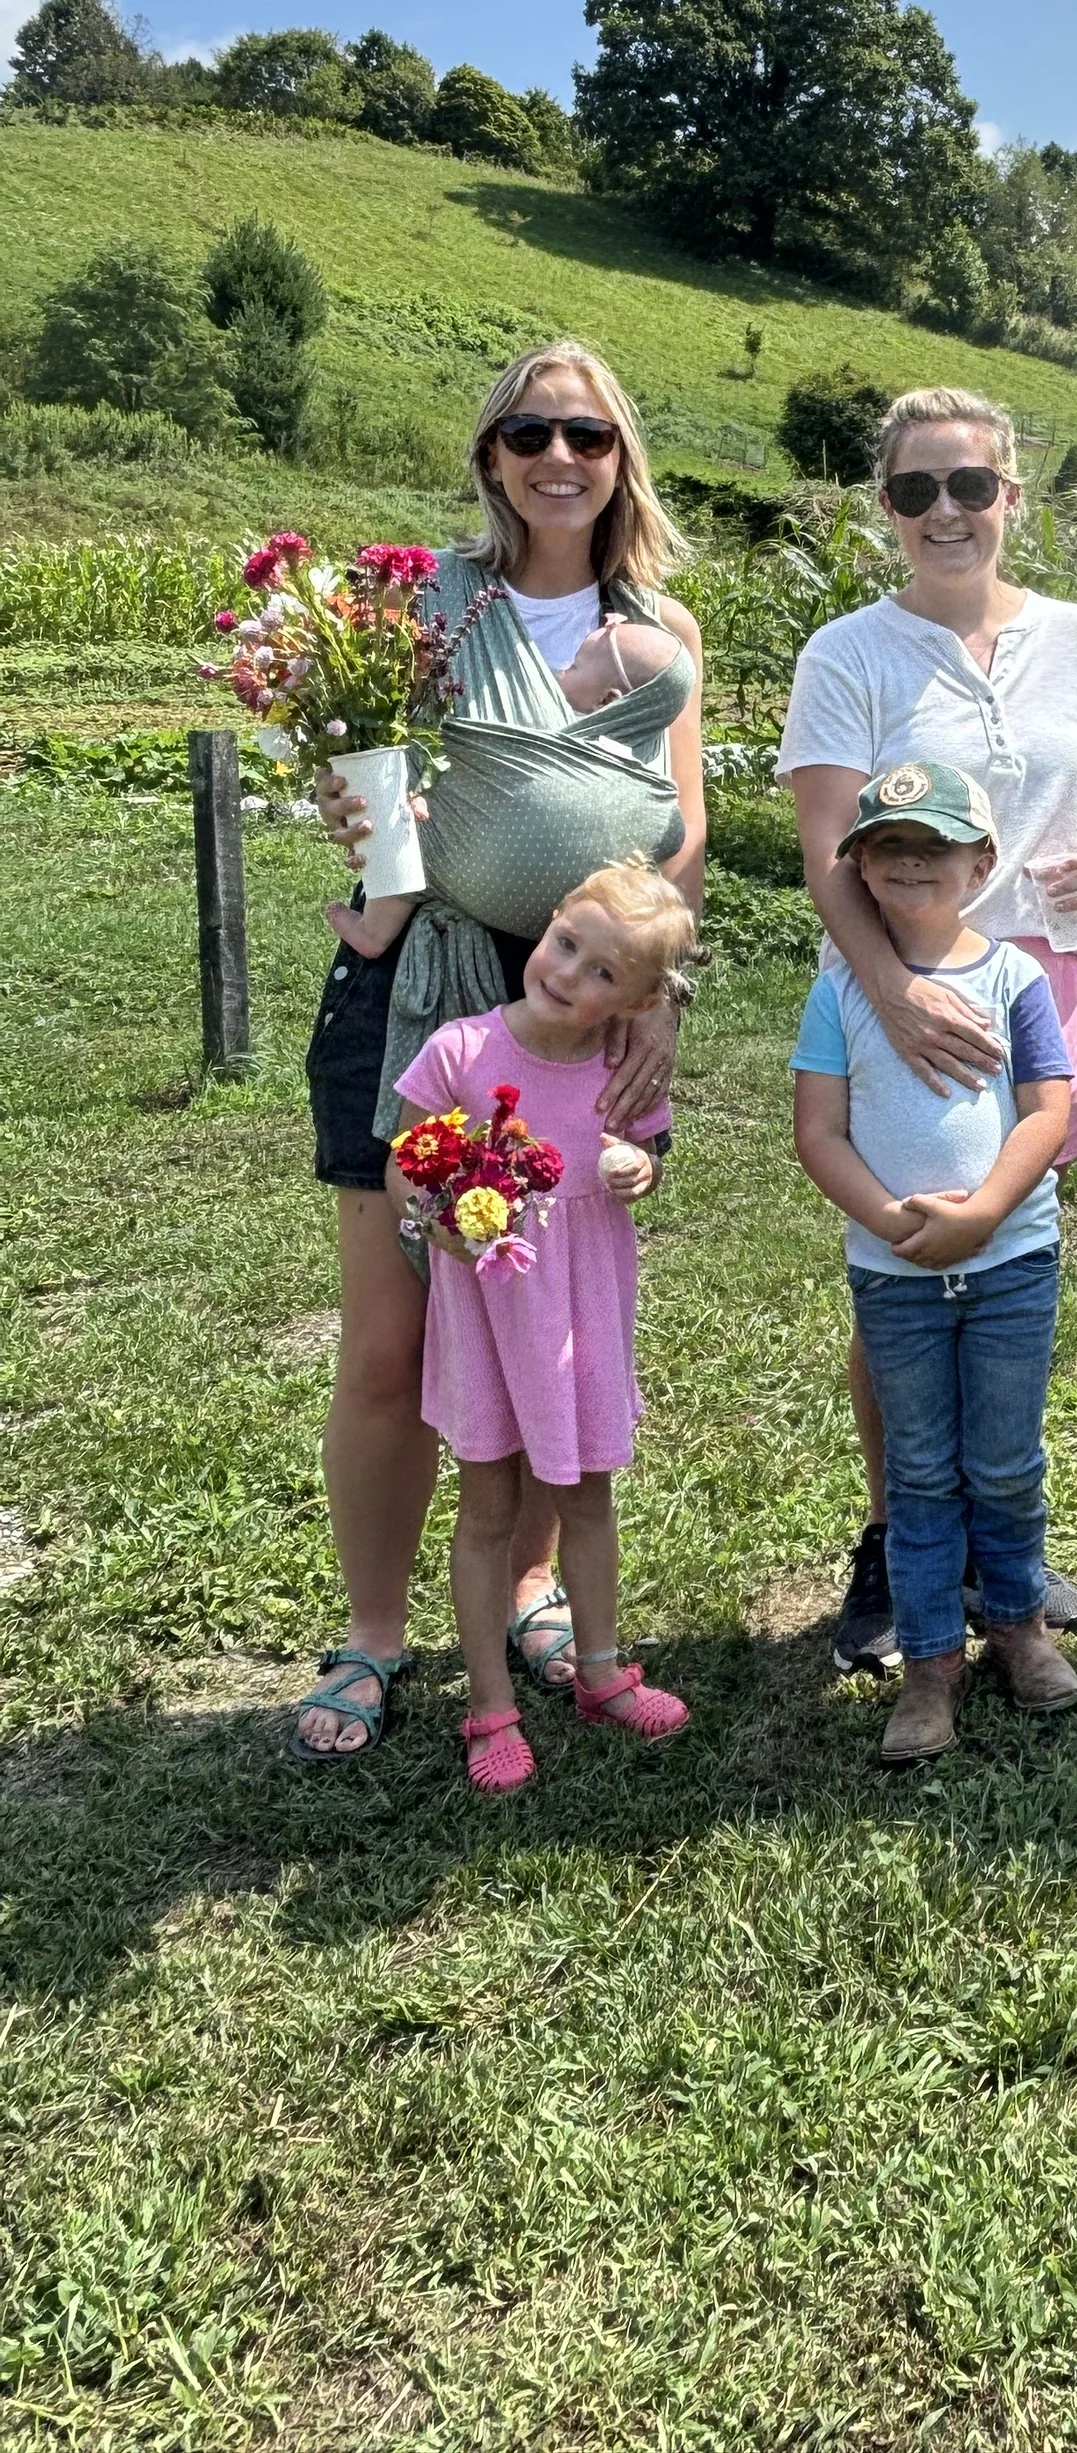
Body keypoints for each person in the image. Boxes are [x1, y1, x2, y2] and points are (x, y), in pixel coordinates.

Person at [291, 345, 706, 1760]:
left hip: (586, 1029)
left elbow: (684, 837)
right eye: (528, 430)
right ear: (491, 455)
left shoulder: (665, 635)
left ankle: (530, 1586)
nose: (557, 454)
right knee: (391, 1339)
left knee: (548, 1311)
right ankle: (374, 1632)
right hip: (421, 994)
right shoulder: (425, 609)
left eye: (585, 430)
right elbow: (353, 757)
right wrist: (358, 841)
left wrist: (655, 992)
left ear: (618, 456)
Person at [778, 386, 1077, 1673]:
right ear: (885, 507)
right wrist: (889, 991)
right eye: (913, 490)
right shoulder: (849, 652)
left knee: (1009, 1267)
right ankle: (898, 1537)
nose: (944, 511)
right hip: (907, 983)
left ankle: (1005, 1544)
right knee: (905, 1274)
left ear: (1012, 495)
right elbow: (829, 844)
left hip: (1048, 987)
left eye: (968, 485)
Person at [388, 858, 702, 1791]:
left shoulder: (620, 1070)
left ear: (639, 1000)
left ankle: (601, 1671)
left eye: (603, 973)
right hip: (489, 1315)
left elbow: (643, 1155)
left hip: (581, 1316)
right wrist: (434, 1217)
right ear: (550, 922)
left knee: (589, 1500)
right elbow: (406, 1162)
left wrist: (637, 1169)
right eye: (566, 945)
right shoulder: (461, 1050)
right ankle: (489, 1704)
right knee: (487, 1507)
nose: (568, 975)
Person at [790, 759, 1077, 1765]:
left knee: (1004, 1461)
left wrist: (988, 1209)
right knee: (917, 1473)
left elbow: (1049, 1109)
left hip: (1012, 1263)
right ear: (859, 866)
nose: (911, 862)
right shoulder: (838, 993)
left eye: (935, 846)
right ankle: (927, 1668)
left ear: (980, 862)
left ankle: (1018, 1627)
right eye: (887, 846)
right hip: (895, 1272)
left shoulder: (1015, 979)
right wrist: (892, 1222)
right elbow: (819, 1132)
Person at [329, 617, 681, 961]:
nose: (559, 673)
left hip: (471, 873)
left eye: (573, 667)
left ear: (607, 701)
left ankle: (373, 931)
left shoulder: (594, 750)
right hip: (568, 942)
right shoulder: (636, 743)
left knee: (411, 836)